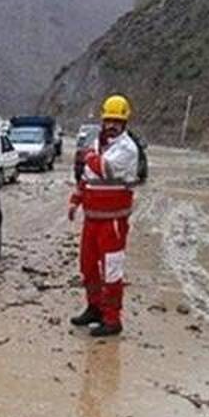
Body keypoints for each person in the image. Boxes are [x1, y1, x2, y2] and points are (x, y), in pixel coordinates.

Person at [67, 94, 139, 337]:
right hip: (92, 217)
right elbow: (87, 177)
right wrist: (75, 200)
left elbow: (103, 168)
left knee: (112, 270)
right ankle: (94, 307)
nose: (111, 125)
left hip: (114, 220)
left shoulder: (127, 148)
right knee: (88, 266)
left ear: (125, 123)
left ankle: (112, 319)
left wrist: (88, 156)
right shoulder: (98, 144)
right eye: (108, 120)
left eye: (116, 122)